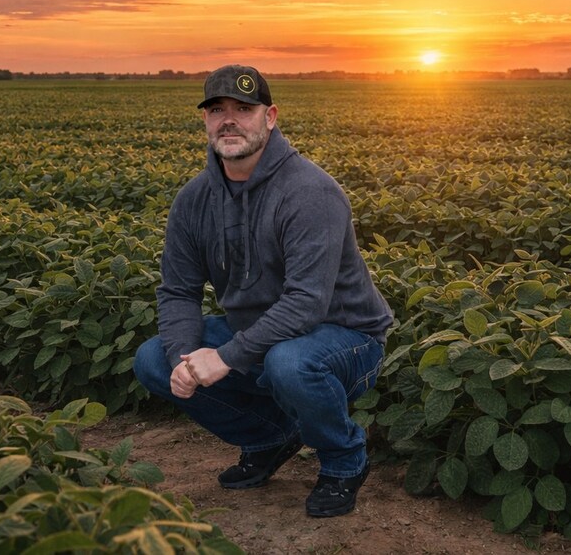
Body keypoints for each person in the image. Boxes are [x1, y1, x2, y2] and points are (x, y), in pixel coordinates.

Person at [133, 64, 395, 517]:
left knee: (289, 361)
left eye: (244, 108)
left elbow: (306, 304)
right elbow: (178, 291)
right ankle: (268, 437)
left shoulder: (310, 192)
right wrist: (184, 356)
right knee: (154, 358)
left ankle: (344, 459)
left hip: (346, 338)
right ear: (206, 121)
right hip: (258, 334)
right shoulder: (193, 201)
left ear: (270, 117)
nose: (229, 119)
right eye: (217, 109)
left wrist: (226, 356)